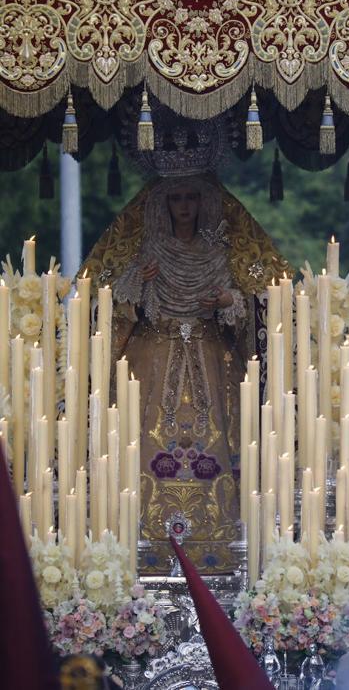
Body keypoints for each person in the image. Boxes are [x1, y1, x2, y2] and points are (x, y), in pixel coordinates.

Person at [83, 173, 288, 574]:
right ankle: (145, 544)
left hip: (210, 363)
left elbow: (244, 311)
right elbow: (118, 306)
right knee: (143, 441)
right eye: (176, 198)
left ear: (202, 203)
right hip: (153, 362)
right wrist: (135, 284)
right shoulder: (149, 252)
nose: (183, 206)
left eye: (191, 197)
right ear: (164, 205)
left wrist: (228, 299)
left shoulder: (216, 252)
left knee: (216, 442)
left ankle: (218, 545)